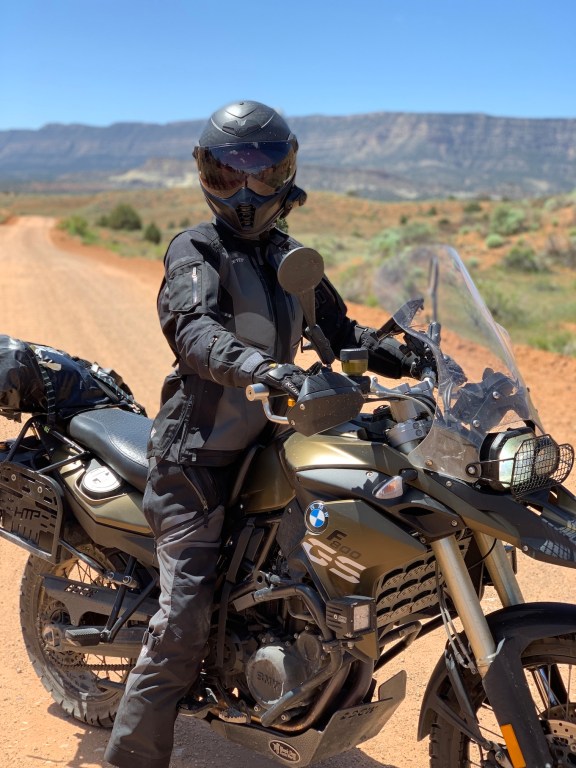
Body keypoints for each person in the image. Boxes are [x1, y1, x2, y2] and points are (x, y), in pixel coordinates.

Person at [104, 99, 416, 768]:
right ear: (204, 175)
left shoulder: (291, 259)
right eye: (227, 174)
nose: (245, 191)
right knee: (182, 623)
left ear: (286, 174)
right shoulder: (197, 250)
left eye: (261, 173)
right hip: (197, 459)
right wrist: (260, 366)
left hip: (269, 447)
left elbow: (340, 332)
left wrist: (408, 355)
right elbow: (192, 330)